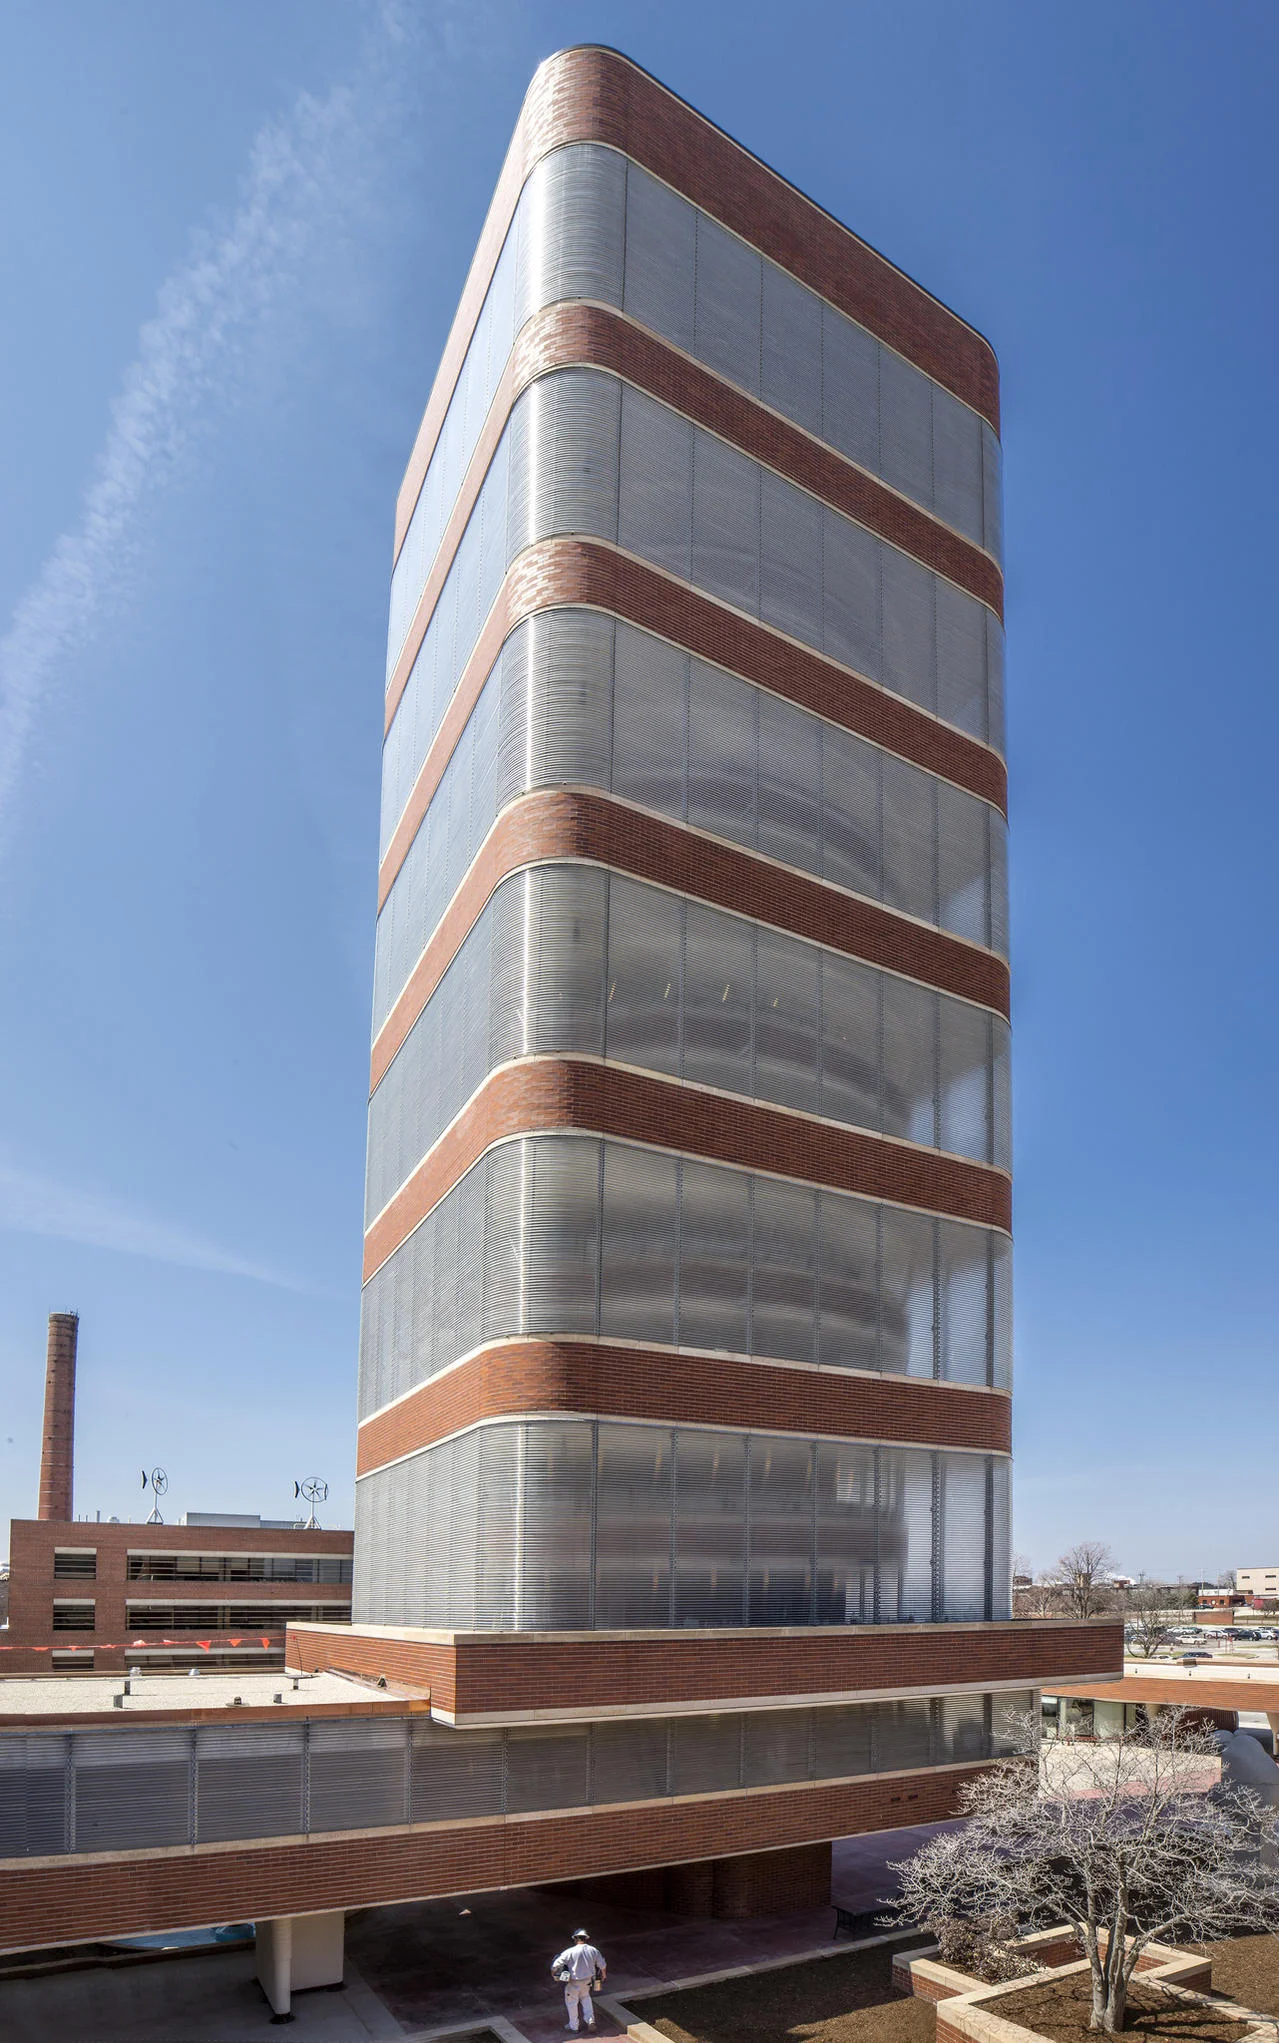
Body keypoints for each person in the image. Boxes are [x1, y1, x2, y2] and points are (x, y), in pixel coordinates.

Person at [551, 1927, 606, 2032]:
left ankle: (574, 2026)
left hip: (573, 1983)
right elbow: (602, 1965)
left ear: (575, 1939)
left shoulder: (569, 1952)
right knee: (586, 1999)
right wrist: (603, 1975)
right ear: (586, 1938)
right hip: (587, 1981)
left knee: (572, 2003)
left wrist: (553, 1974)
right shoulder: (593, 1950)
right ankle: (590, 2020)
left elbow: (555, 1965)